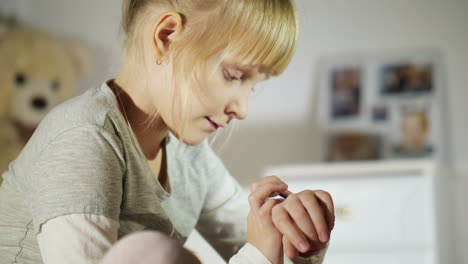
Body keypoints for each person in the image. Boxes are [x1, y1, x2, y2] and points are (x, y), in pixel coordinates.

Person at [0, 0, 335, 263]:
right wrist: (259, 256)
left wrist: (297, 239)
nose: (242, 109)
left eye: (254, 88)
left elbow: (268, 247)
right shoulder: (83, 138)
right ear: (166, 37)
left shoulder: (191, 159)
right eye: (234, 75)